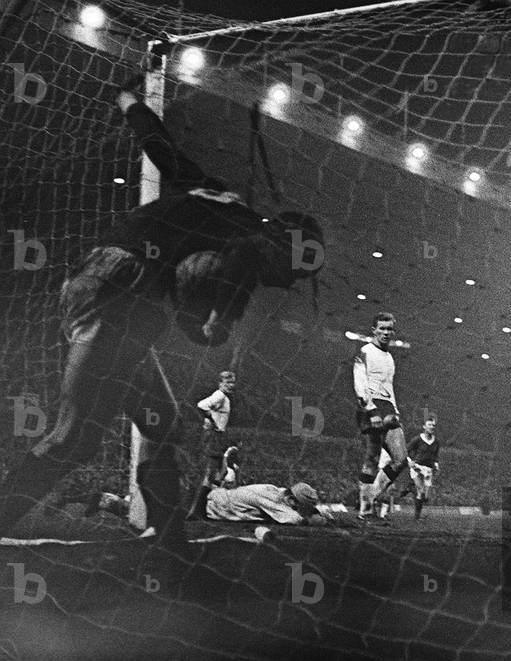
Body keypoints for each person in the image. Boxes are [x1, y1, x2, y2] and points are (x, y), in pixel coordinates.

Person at [0, 83, 323, 554]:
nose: (283, 281)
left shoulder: (211, 191)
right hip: (127, 291)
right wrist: (218, 322)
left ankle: (168, 537)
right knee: (74, 438)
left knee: (164, 425)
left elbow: (160, 147)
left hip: (102, 285)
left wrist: (131, 105)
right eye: (292, 271)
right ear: (289, 246)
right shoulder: (257, 237)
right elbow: (242, 260)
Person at [353, 312, 409, 520]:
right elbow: (360, 384)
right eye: (382, 328)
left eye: (389, 329)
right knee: (372, 459)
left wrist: (394, 410)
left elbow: (388, 387)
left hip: (388, 409)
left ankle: (372, 497)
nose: (386, 332)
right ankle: (365, 510)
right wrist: (371, 410)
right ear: (374, 330)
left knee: (401, 459)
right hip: (371, 408)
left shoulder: (389, 357)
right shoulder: (365, 352)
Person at [186, 370, 237, 518]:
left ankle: (201, 508)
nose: (230, 385)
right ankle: (196, 510)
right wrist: (212, 420)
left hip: (218, 436)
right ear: (220, 383)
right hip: (214, 436)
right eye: (227, 382)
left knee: (217, 472)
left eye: (232, 382)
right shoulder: (219, 395)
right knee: (210, 473)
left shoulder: (225, 397)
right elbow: (202, 405)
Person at [205, 481, 326, 525]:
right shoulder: (274, 499)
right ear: (292, 501)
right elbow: (294, 519)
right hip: (216, 506)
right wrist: (313, 520)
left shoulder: (280, 492)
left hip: (221, 495)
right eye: (302, 507)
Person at [406, 415, 441, 520]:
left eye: (433, 425)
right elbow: (406, 450)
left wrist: (436, 464)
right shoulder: (417, 439)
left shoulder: (436, 442)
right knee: (420, 491)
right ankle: (417, 517)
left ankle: (410, 488)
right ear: (424, 427)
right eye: (429, 425)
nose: (431, 427)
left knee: (425, 497)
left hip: (428, 470)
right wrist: (410, 461)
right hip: (417, 467)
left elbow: (435, 455)